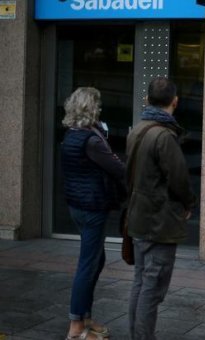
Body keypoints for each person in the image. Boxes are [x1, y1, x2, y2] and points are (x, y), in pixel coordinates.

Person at [126, 77, 196, 340]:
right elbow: (178, 179)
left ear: (147, 100)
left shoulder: (139, 129)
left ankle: (137, 335)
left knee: (140, 282)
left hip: (140, 218)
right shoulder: (163, 136)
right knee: (152, 287)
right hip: (159, 222)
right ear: (175, 101)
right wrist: (189, 203)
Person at [61, 87, 125, 340]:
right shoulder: (92, 140)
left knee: (96, 261)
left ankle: (85, 317)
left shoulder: (71, 136)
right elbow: (118, 169)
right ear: (93, 108)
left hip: (77, 205)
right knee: (88, 265)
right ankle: (76, 327)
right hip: (92, 207)